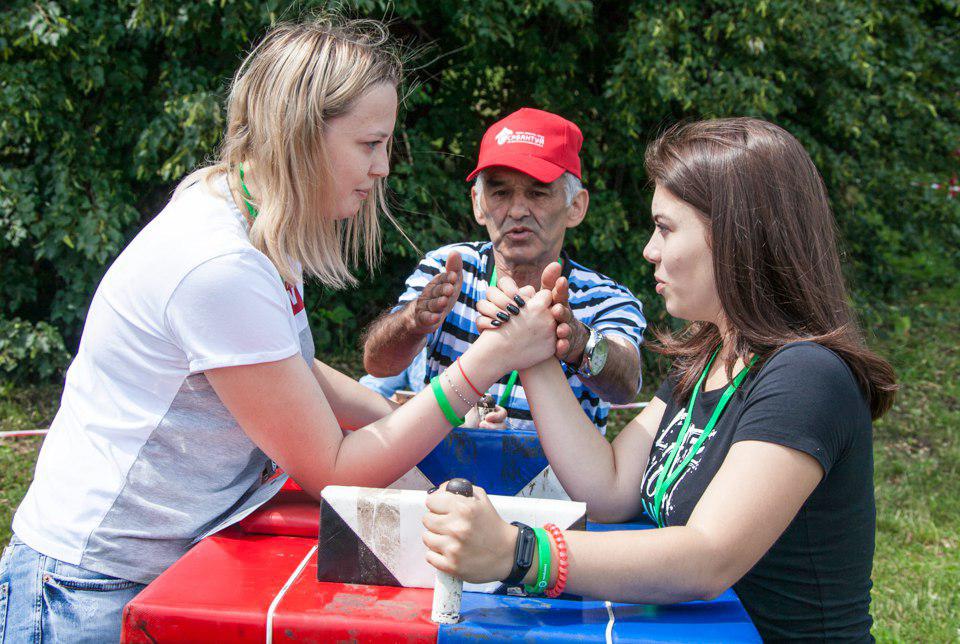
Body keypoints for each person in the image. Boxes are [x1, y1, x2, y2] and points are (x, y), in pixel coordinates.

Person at [0, 18, 557, 642]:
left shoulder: (248, 214)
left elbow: (286, 369)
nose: (381, 169)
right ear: (299, 136)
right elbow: (335, 468)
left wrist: (397, 428)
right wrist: (483, 363)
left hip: (152, 563)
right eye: (369, 144)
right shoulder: (222, 265)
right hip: (89, 587)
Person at [422, 118, 898, 641]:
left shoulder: (807, 376)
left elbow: (706, 558)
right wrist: (535, 352)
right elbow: (606, 487)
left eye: (666, 228)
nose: (649, 250)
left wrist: (518, 552)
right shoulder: (708, 358)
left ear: (738, 235)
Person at [361, 108, 646, 433]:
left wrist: (578, 341)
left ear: (576, 206)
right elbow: (379, 365)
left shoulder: (604, 297)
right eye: (500, 192)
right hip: (444, 478)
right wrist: (413, 320)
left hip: (557, 482)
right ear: (477, 203)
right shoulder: (450, 268)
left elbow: (626, 384)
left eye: (538, 192)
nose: (517, 210)